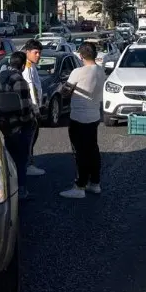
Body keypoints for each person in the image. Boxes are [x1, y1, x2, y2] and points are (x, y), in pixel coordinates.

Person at [0, 51, 38, 200]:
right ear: (23, 65)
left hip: (5, 125)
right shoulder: (19, 81)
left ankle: (9, 188)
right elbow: (25, 108)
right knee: (21, 159)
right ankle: (21, 190)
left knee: (9, 157)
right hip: (19, 126)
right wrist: (32, 120)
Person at [58, 42, 106, 199]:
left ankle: (80, 186)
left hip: (79, 117)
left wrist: (62, 88)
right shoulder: (101, 71)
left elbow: (65, 92)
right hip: (94, 116)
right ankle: (95, 183)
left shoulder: (78, 72)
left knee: (80, 152)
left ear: (81, 56)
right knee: (93, 150)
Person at [21, 39, 46, 176]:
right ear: (27, 52)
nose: (38, 55)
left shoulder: (31, 66)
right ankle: (28, 165)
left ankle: (28, 163)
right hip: (31, 109)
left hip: (33, 108)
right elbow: (31, 89)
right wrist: (36, 109)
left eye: (39, 53)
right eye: (35, 52)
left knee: (32, 137)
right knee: (30, 138)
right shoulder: (27, 67)